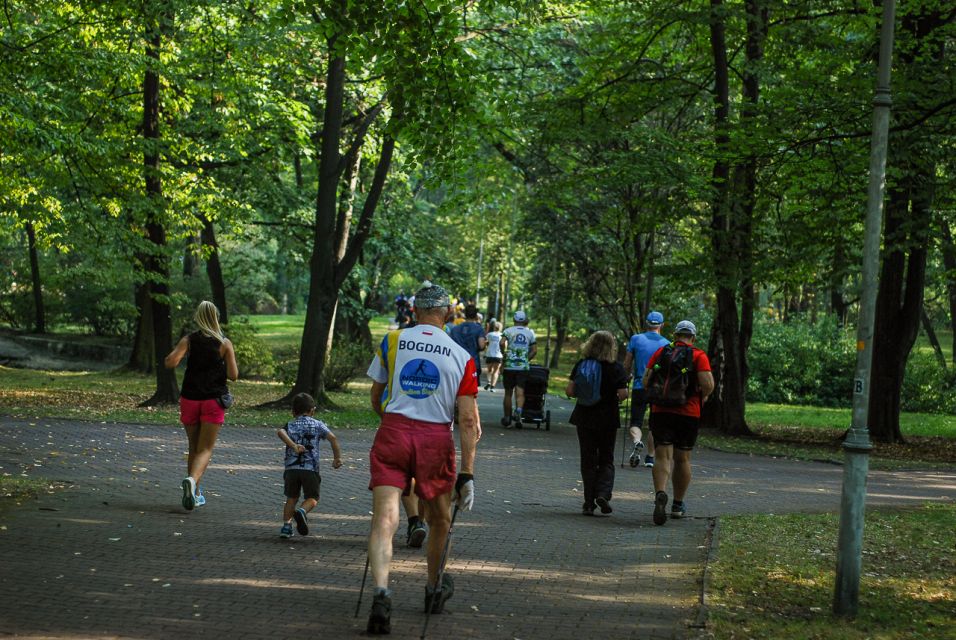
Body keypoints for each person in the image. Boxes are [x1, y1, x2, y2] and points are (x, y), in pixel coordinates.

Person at [364, 282, 481, 634]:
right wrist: (467, 472)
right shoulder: (462, 357)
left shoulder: (393, 341)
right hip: (434, 439)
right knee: (441, 519)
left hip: (393, 433)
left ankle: (382, 592)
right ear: (447, 314)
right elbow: (467, 419)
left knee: (385, 519)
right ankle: (433, 587)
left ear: (414, 312)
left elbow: (375, 396)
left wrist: (391, 421)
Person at [164, 300, 239, 511]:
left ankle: (194, 494)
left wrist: (177, 353)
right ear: (216, 317)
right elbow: (233, 375)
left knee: (194, 447)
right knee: (205, 449)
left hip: (189, 399)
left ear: (198, 317)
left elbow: (170, 362)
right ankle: (192, 482)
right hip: (212, 401)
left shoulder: (189, 340)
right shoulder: (224, 343)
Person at [642, 320, 714, 525]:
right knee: (682, 458)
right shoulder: (699, 355)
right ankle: (677, 504)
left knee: (662, 456)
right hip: (688, 413)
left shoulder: (661, 353)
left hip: (661, 411)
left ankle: (660, 493)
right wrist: (703, 398)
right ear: (693, 337)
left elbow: (646, 380)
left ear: (674, 335)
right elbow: (708, 384)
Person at [565, 331, 629, 516]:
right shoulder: (616, 368)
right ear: (611, 347)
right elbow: (623, 394)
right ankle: (603, 493)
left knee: (588, 459)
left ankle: (588, 503)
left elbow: (570, 391)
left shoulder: (581, 364)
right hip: (608, 417)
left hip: (584, 416)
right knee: (607, 458)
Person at [276, 393, 342, 538]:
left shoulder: (290, 424)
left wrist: (293, 445)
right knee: (312, 497)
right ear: (313, 410)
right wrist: (337, 458)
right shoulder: (318, 424)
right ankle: (302, 511)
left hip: (291, 469)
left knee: (291, 498)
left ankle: (286, 527)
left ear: (293, 412)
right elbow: (333, 438)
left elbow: (280, 432)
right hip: (310, 469)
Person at [622, 311, 669, 468]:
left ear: (646, 324)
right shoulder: (667, 344)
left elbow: (627, 364)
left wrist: (626, 377)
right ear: (661, 325)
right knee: (654, 423)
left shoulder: (636, 339)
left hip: (639, 386)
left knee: (636, 421)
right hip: (658, 389)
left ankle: (637, 441)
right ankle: (650, 457)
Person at [500, 310, 537, 427]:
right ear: (525, 320)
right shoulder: (530, 333)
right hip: (523, 366)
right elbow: (534, 350)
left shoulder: (508, 331)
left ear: (514, 319)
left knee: (508, 393)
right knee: (520, 392)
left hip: (509, 366)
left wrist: (504, 353)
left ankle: (507, 418)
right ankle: (519, 413)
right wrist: (526, 359)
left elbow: (502, 343)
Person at [449, 304, 487, 382]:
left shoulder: (455, 329)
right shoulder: (479, 329)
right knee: (471, 391)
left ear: (465, 314)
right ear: (476, 315)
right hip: (472, 363)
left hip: (457, 363)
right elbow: (481, 345)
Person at [484, 321, 504, 391]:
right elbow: (505, 345)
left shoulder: (489, 334)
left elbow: (485, 342)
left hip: (489, 354)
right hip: (498, 355)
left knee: (489, 370)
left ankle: (489, 382)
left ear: (494, 327)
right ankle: (492, 387)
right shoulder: (502, 335)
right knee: (496, 371)